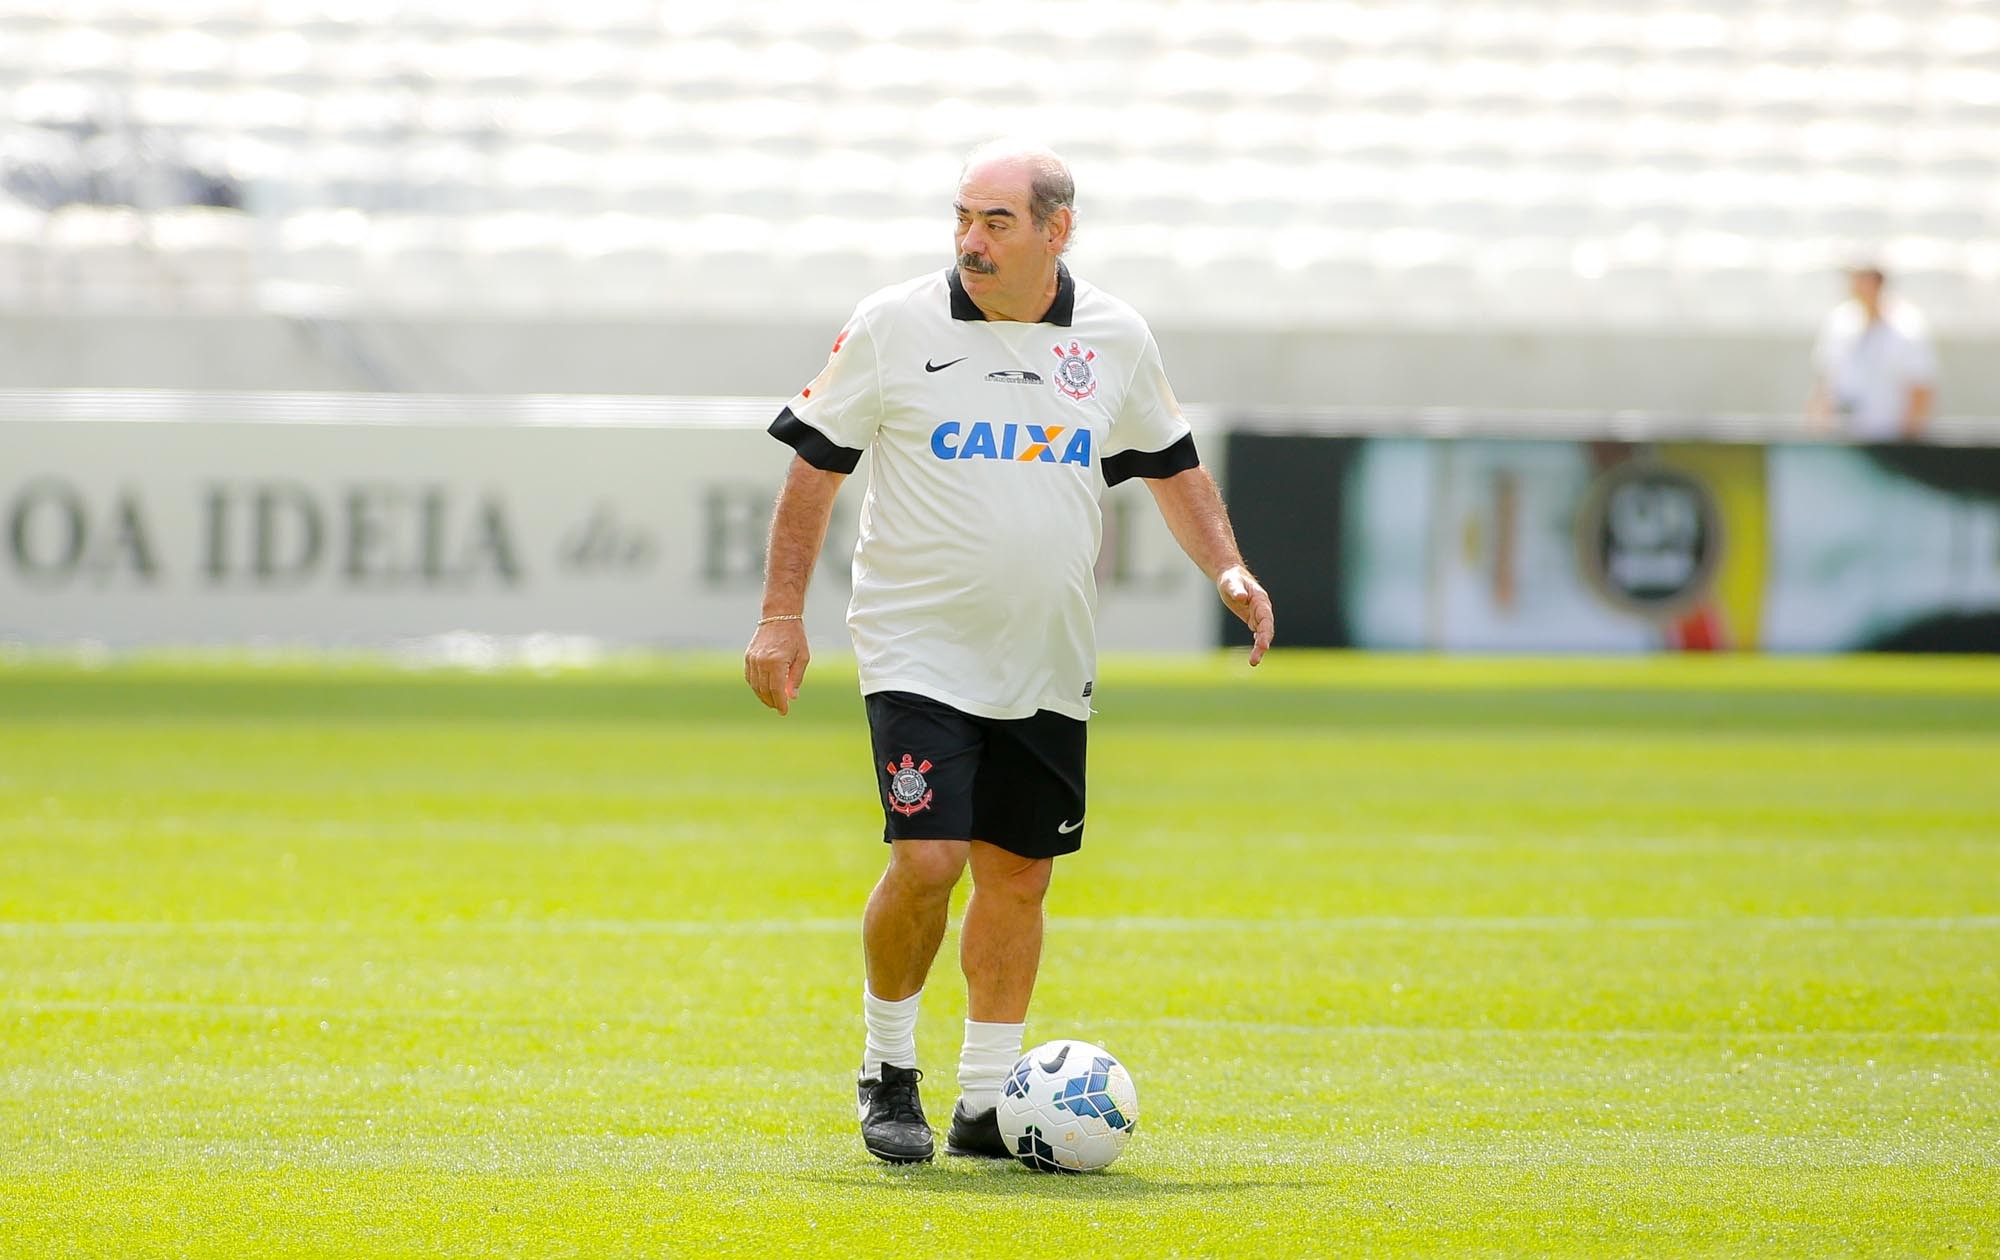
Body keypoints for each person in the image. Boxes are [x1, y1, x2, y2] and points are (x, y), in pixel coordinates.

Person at [742, 141, 1275, 1164]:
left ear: (1054, 230)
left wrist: (1229, 570)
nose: (970, 241)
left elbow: (1169, 465)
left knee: (1018, 875)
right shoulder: (897, 322)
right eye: (962, 219)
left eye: (995, 222)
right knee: (928, 857)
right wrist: (779, 616)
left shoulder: (1113, 336)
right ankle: (886, 1070)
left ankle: (986, 1101)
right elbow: (812, 473)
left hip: (1043, 657)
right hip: (915, 648)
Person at [1806, 265, 1937, 442]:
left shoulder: (1908, 325)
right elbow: (1825, 381)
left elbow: (1920, 390)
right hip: (1843, 438)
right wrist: (1817, 427)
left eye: (1860, 278)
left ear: (1877, 281)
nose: (1853, 285)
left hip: (1888, 441)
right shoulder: (1839, 320)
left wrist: (1907, 442)